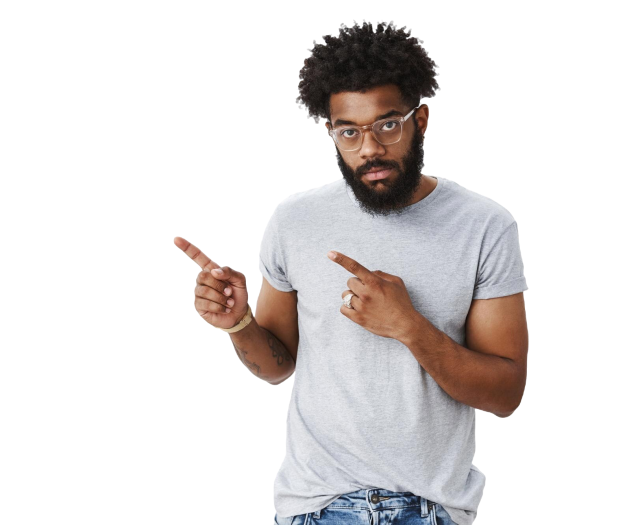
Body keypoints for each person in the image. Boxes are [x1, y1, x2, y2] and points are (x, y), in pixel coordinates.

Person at [174, 19, 528, 525]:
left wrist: (408, 326)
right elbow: (277, 365)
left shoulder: (484, 225)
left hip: (432, 510)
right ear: (331, 132)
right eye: (349, 131)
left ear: (420, 120)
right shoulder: (295, 219)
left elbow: (506, 394)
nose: (369, 148)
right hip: (316, 507)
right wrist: (239, 323)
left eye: (388, 124)